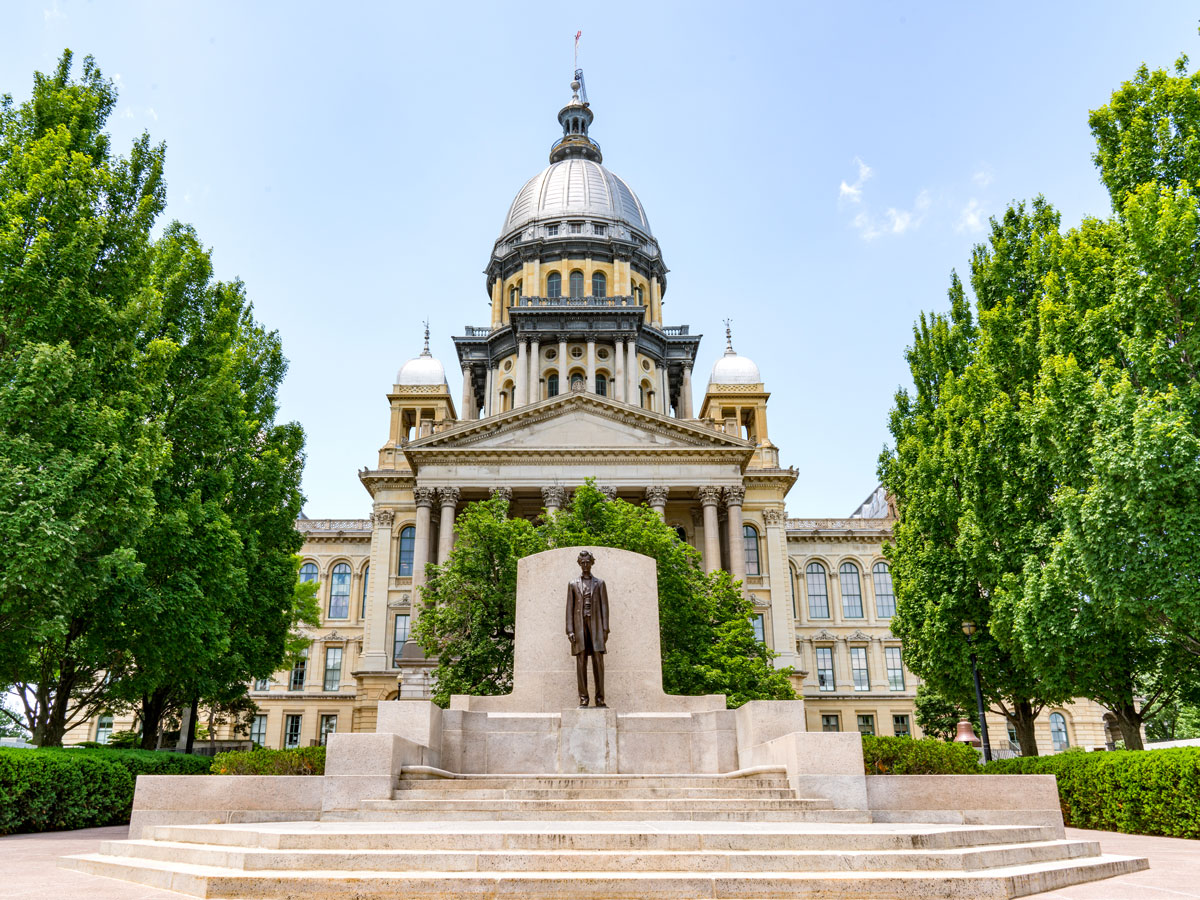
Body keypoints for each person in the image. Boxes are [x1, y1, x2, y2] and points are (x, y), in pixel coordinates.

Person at [565, 550, 609, 707]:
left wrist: (605, 629)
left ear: (592, 563)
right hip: (579, 626)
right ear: (579, 563)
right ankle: (583, 698)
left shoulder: (600, 583)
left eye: (587, 562)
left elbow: (605, 607)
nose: (585, 565)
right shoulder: (572, 584)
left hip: (596, 625)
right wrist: (569, 630)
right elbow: (569, 608)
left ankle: (600, 699)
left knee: (598, 660)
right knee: (581, 661)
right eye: (582, 562)